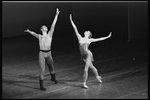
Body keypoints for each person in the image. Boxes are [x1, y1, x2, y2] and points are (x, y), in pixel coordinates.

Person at [70, 14, 112, 89]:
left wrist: (108, 37)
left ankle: (84, 83)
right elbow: (75, 28)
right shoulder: (80, 37)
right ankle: (98, 76)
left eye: (88, 31)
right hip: (82, 55)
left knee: (86, 69)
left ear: (89, 35)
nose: (86, 31)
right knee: (92, 67)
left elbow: (99, 39)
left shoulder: (89, 40)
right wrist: (71, 20)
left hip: (88, 54)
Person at [24, 8, 60, 91]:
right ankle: (41, 85)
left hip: (49, 54)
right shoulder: (39, 36)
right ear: (41, 29)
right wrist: (29, 31)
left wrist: (56, 15)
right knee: (42, 70)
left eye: (46, 27)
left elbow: (53, 25)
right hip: (42, 54)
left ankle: (53, 78)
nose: (46, 27)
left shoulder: (50, 35)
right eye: (44, 27)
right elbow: (34, 34)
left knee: (51, 67)